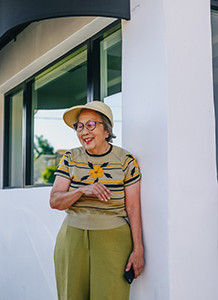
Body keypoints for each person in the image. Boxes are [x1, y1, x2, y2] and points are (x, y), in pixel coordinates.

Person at [50, 101, 144, 300]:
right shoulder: (70, 158)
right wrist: (82, 190)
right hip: (72, 238)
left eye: (91, 125)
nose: (84, 131)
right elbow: (55, 201)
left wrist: (138, 249)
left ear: (107, 130)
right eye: (80, 126)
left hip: (114, 241)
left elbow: (133, 207)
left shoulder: (126, 161)